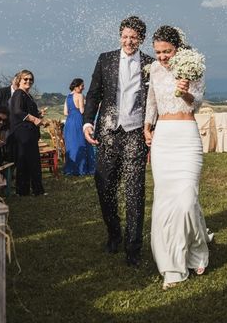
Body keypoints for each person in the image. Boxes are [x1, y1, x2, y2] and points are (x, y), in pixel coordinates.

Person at [143, 25, 211, 289]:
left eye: (166, 51)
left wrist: (185, 90)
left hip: (186, 137)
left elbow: (198, 102)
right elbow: (151, 100)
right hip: (163, 139)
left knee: (186, 200)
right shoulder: (155, 70)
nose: (162, 57)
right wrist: (147, 126)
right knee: (165, 203)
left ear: (177, 49)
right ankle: (172, 265)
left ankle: (197, 248)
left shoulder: (192, 66)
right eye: (158, 52)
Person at [83, 16, 154, 267]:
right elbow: (93, 93)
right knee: (105, 186)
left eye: (134, 37)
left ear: (141, 39)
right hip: (109, 132)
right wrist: (87, 121)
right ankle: (114, 233)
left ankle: (133, 248)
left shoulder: (150, 64)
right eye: (125, 36)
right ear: (119, 36)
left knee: (135, 191)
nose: (128, 41)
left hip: (135, 133)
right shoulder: (106, 59)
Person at [10, 69, 46, 196]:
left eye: (30, 79)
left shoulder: (27, 95)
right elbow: (18, 112)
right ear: (19, 80)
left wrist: (39, 114)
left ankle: (30, 190)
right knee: (26, 161)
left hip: (29, 133)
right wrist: (35, 119)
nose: (28, 81)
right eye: (25, 79)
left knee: (30, 161)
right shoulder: (19, 93)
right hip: (23, 133)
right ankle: (26, 190)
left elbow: (26, 111)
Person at [63, 78, 95, 176]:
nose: (83, 88)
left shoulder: (67, 97)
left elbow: (65, 112)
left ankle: (71, 169)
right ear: (76, 86)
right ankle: (82, 168)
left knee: (72, 144)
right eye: (82, 86)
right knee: (81, 142)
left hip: (69, 122)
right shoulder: (80, 95)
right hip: (78, 120)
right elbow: (82, 111)